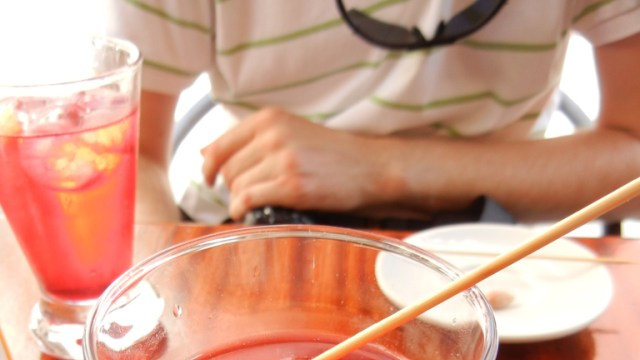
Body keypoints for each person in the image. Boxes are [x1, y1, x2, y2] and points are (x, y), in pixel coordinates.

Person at [104, 0, 640, 228]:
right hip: (248, 237)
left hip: (489, 254)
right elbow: (127, 160)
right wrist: (160, 298)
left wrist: (380, 168)